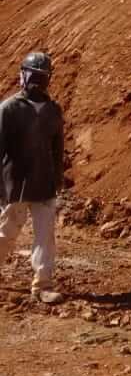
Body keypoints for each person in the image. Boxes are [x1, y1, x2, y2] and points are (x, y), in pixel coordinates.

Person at [0, 52, 65, 305]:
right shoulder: (8, 109)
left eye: (41, 77)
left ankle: (43, 285)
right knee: (5, 233)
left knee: (45, 236)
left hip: (44, 184)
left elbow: (58, 148)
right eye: (32, 76)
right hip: (13, 184)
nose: (37, 82)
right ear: (22, 76)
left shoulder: (53, 110)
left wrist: (57, 178)